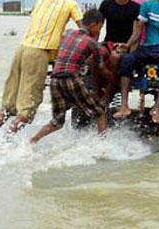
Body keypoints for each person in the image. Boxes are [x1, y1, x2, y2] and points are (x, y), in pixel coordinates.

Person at [0, 0, 83, 133]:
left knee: (8, 105)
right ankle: (7, 141)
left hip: (22, 48)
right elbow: (83, 28)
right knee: (28, 105)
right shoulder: (70, 3)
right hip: (39, 52)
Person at [29, 10, 108, 144]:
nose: (99, 30)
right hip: (71, 79)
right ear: (93, 25)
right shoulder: (91, 42)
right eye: (99, 27)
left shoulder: (68, 33)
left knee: (57, 122)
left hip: (54, 79)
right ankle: (102, 144)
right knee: (100, 112)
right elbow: (100, 65)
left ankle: (32, 141)